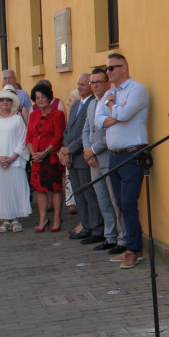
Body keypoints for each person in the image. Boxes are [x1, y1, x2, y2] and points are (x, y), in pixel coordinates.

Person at [101, 53, 149, 269]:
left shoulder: (137, 89)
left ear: (124, 68)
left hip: (132, 154)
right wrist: (115, 111)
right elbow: (98, 120)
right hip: (114, 155)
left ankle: (134, 250)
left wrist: (112, 107)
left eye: (112, 68)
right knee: (120, 204)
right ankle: (132, 247)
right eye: (107, 69)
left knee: (129, 203)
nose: (108, 72)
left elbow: (125, 115)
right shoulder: (110, 93)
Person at [83, 68, 125, 252]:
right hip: (93, 160)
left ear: (107, 83)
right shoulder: (92, 104)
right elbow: (86, 129)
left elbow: (111, 131)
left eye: (99, 82)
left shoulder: (112, 101)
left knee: (116, 201)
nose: (95, 86)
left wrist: (93, 150)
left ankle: (122, 239)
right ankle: (110, 237)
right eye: (92, 82)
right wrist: (87, 151)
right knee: (103, 200)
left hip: (108, 157)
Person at [59, 73, 102, 243]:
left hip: (82, 156)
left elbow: (87, 132)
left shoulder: (93, 103)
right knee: (78, 195)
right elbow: (69, 130)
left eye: (83, 84)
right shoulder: (76, 106)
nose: (80, 87)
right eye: (79, 84)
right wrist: (64, 150)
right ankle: (85, 225)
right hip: (71, 158)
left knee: (89, 195)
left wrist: (71, 149)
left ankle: (96, 227)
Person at [0, 87, 31, 233]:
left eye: (7, 100)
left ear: (12, 103)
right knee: (1, 191)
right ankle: (5, 220)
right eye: (2, 100)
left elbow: (22, 141)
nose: (4, 102)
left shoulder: (17, 119)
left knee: (15, 189)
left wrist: (11, 158)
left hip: (14, 162)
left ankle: (15, 219)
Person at [26, 82, 67, 232]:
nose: (40, 100)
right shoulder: (33, 115)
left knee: (55, 189)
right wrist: (33, 155)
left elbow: (58, 136)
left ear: (49, 98)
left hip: (51, 157)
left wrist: (45, 153)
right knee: (40, 190)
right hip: (37, 158)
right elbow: (29, 137)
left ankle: (57, 218)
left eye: (43, 97)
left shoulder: (58, 114)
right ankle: (43, 219)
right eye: (37, 98)